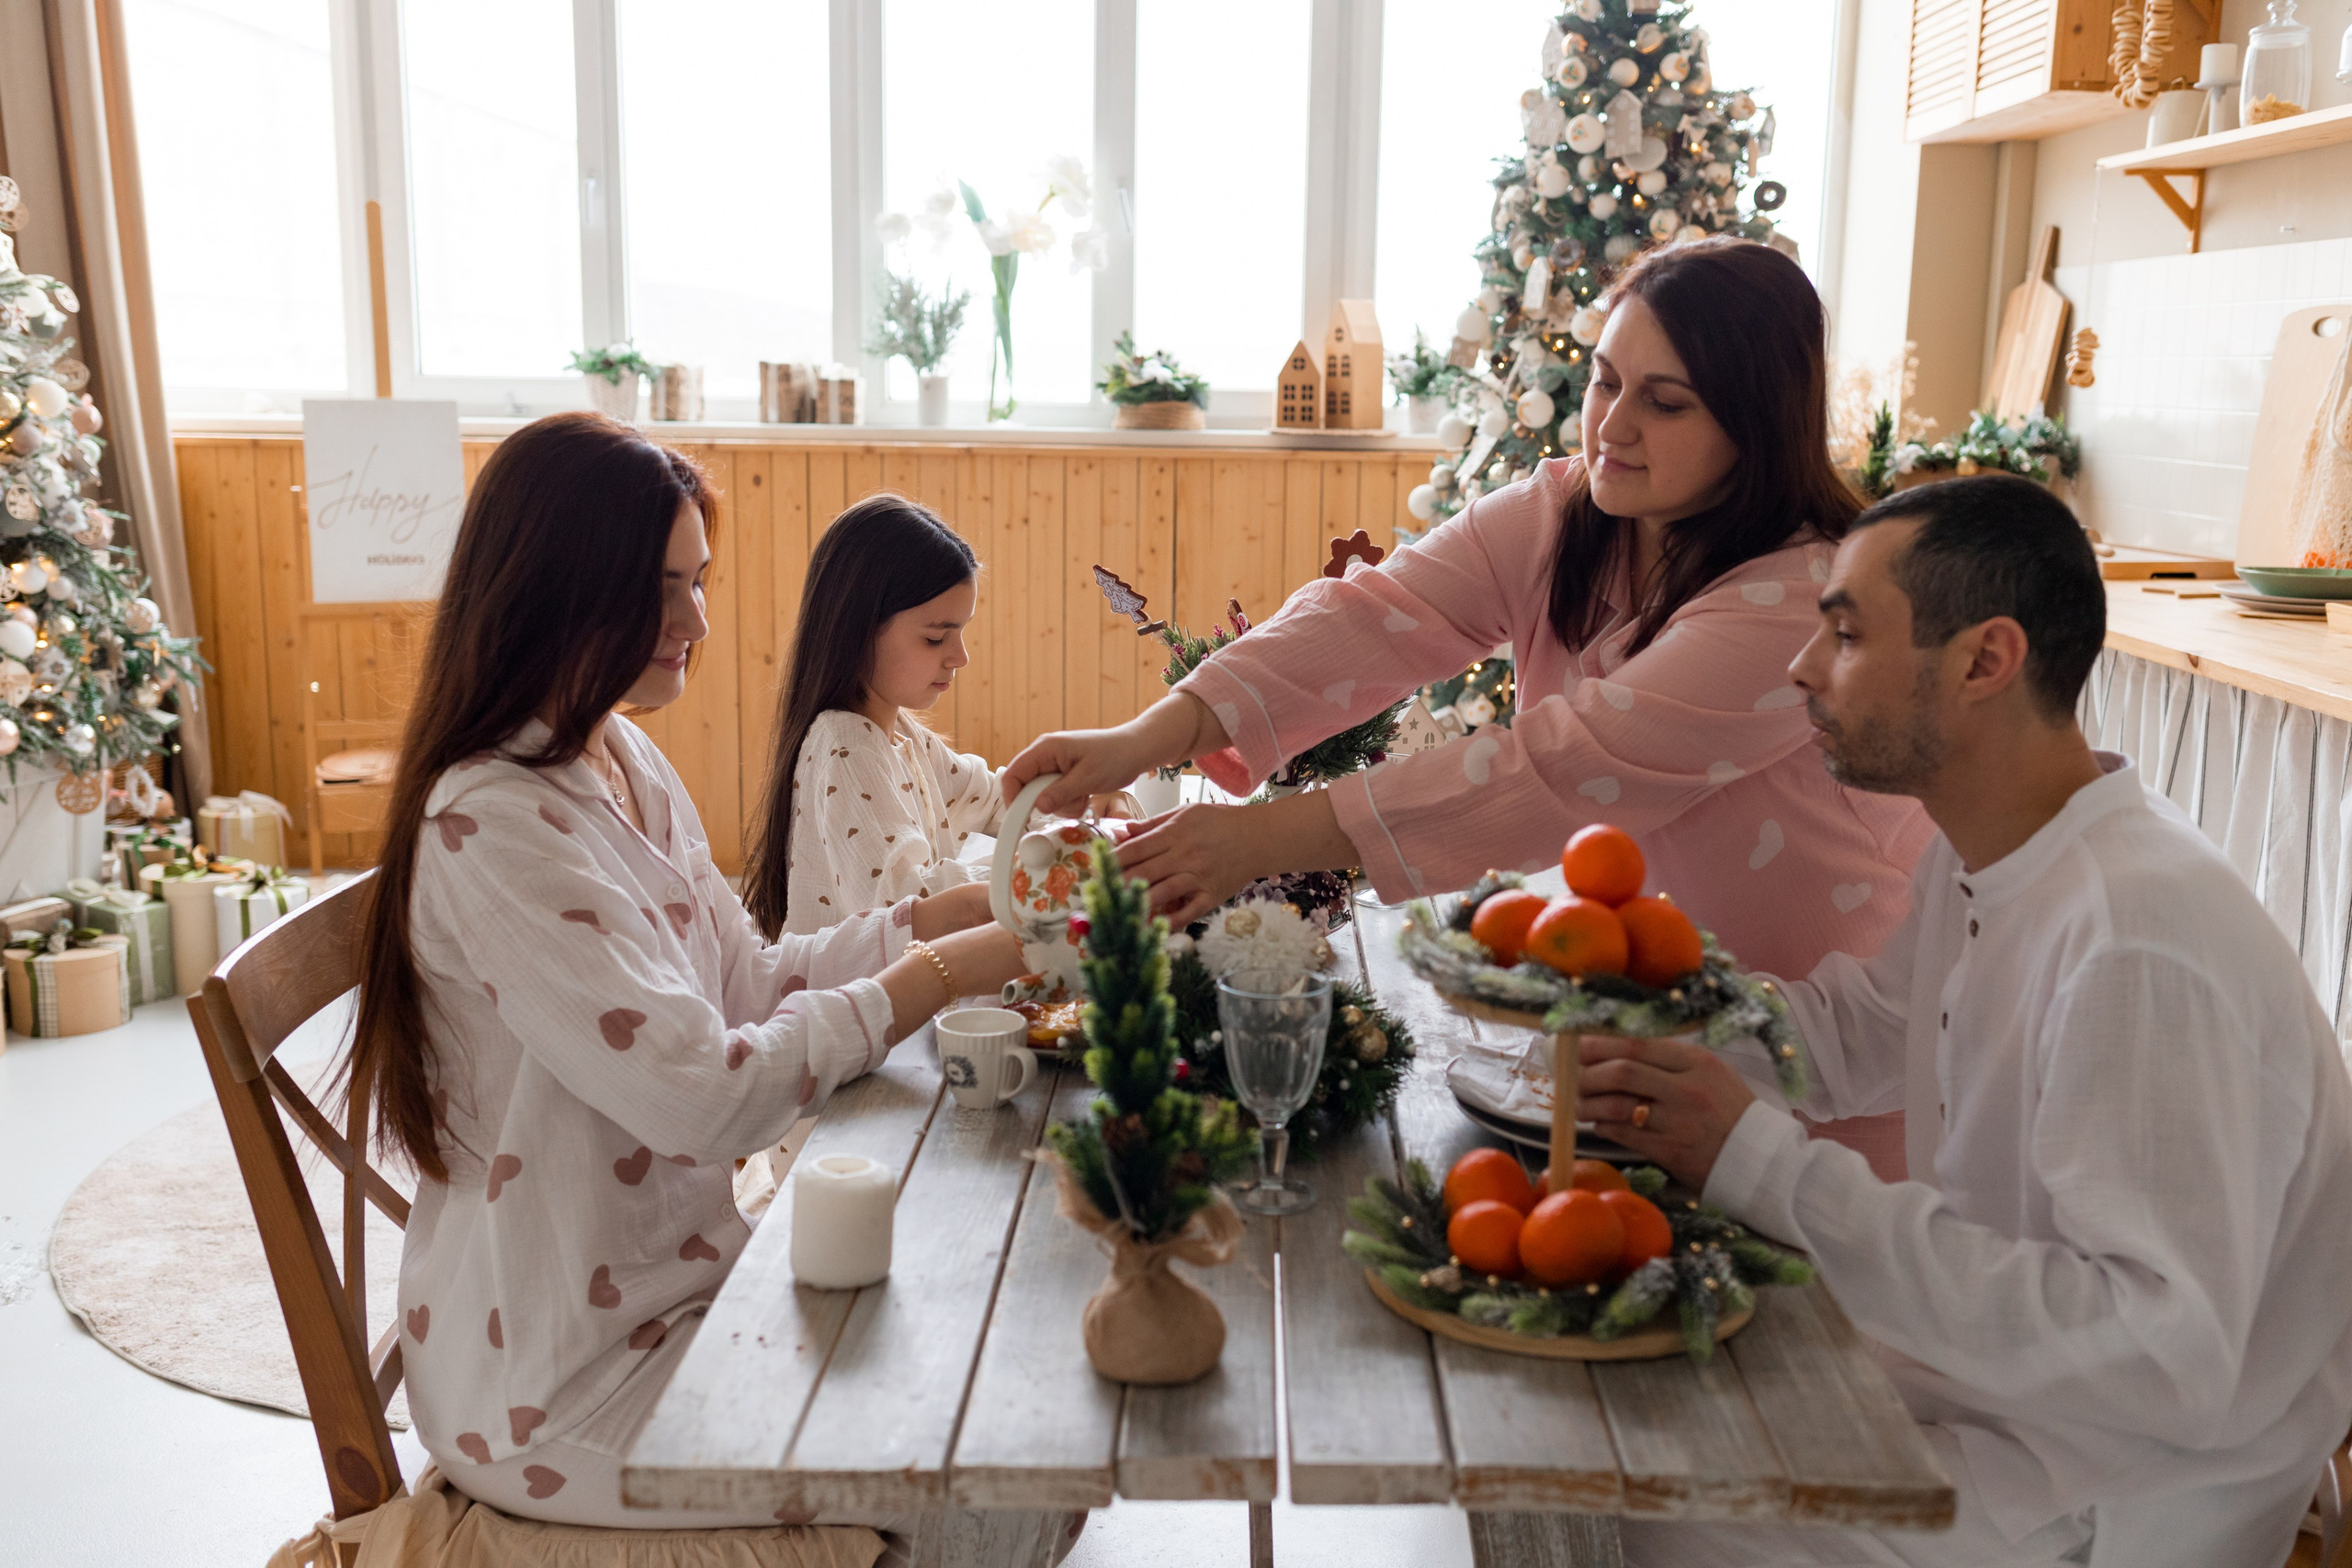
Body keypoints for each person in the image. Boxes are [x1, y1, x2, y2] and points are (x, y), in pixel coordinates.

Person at [1009, 237, 1932, 1177]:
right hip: (1640, 1040)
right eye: (1605, 382)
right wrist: (1141, 737)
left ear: (1758, 424)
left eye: (1665, 402)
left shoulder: (1802, 597)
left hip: (1818, 1063)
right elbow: (1372, 617)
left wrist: (1253, 842)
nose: (1612, 425)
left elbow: (1564, 766)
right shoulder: (1566, 514)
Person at [1579, 475, 2352, 1567]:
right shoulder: (1995, 841)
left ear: (1986, 661)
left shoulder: (2135, 937)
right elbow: (1869, 1025)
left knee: (1648, 1503)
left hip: (2125, 1488)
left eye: (1844, 636)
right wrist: (1652, 1036)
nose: (1801, 669)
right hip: (2018, 1393)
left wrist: (1757, 1161)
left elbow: (2158, 1360)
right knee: (1629, 1382)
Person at [338, 415, 1030, 1540]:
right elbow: (707, 1097)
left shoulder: (620, 754)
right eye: (661, 588)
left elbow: (746, 982)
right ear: (550, 588)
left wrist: (937, 917)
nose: (696, 622)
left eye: (698, 582)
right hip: (554, 1381)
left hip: (687, 1285)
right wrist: (948, 970)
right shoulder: (493, 821)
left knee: (1000, 1358)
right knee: (985, 1455)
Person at [741, 494, 1009, 938]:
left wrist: (1084, 804)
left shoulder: (898, 731)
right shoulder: (847, 749)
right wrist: (1040, 865)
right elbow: (915, 908)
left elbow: (991, 799)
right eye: (935, 639)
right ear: (859, 629)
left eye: (961, 632)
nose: (959, 657)